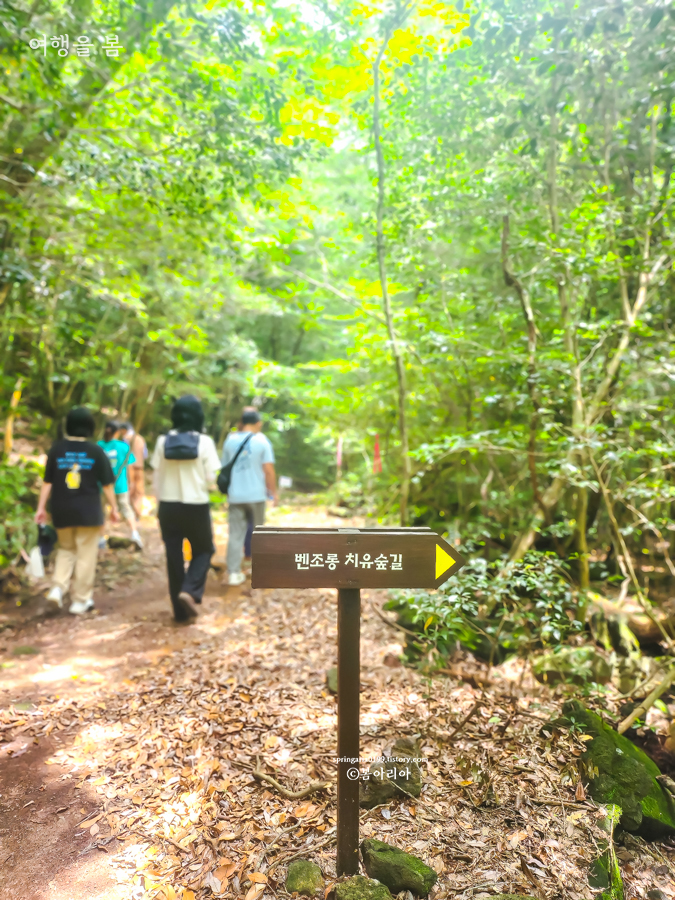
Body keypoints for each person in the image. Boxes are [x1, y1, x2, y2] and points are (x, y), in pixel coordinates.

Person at [35, 407, 119, 615]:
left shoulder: (57, 449)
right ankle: (80, 600)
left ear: (68, 425)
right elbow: (107, 485)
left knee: (66, 549)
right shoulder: (95, 451)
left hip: (61, 509)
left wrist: (41, 508)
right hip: (89, 511)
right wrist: (114, 508)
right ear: (91, 427)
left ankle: (57, 589)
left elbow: (47, 482)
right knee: (85, 554)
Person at [151, 395, 221, 622]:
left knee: (174, 557)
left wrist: (157, 502)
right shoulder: (204, 442)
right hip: (196, 506)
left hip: (167, 506)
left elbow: (156, 476)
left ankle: (179, 613)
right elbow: (211, 478)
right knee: (204, 550)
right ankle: (190, 591)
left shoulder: (162, 442)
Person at [222, 408, 277, 586]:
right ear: (258, 423)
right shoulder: (262, 441)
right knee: (258, 532)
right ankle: (257, 568)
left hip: (235, 495)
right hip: (256, 495)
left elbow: (224, 468)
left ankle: (233, 573)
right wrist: (273, 492)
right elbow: (268, 470)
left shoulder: (230, 441)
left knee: (235, 534)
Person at [98, 420, 143, 549]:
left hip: (102, 486)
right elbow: (130, 467)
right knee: (126, 509)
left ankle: (100, 538)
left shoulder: (98, 446)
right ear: (117, 432)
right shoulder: (123, 447)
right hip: (120, 485)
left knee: (101, 511)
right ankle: (135, 534)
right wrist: (132, 482)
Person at [123, 422, 147, 519]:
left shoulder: (125, 439)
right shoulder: (141, 438)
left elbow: (124, 454)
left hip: (130, 467)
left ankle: (130, 513)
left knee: (130, 490)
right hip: (140, 467)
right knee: (139, 491)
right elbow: (145, 455)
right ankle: (137, 513)